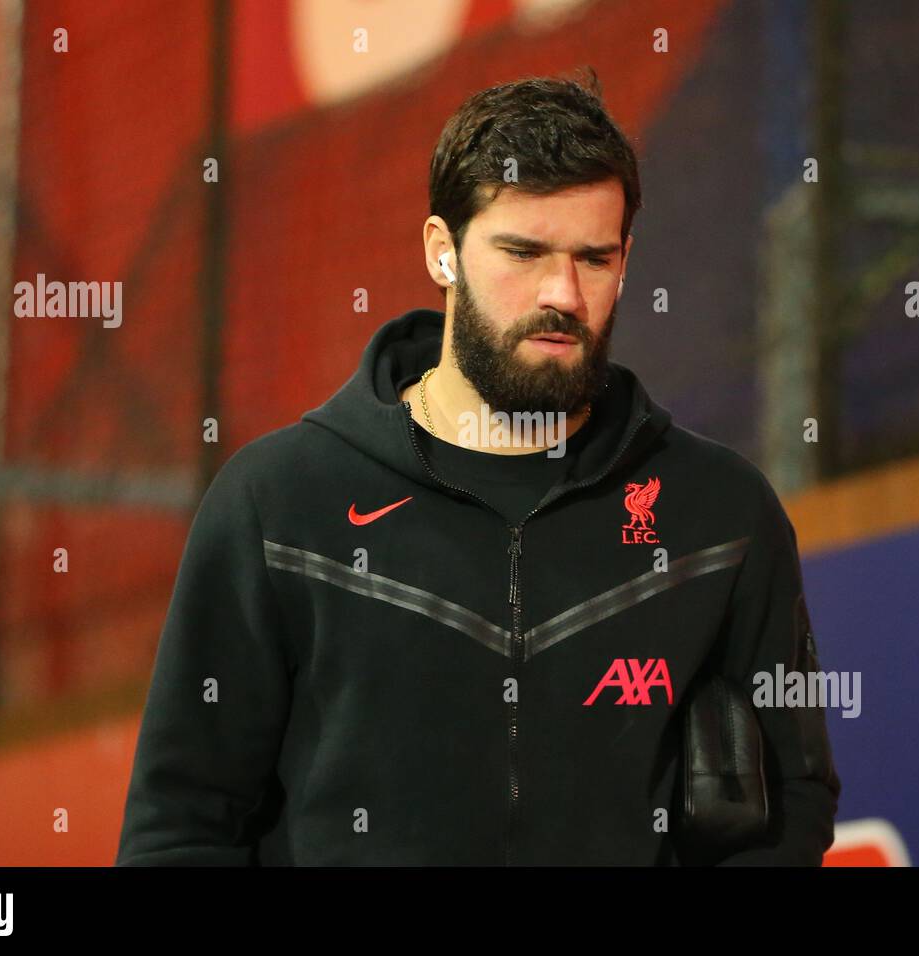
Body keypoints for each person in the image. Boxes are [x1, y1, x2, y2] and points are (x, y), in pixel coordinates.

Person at [116, 68, 840, 866]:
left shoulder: (719, 516)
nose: (562, 292)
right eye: (523, 252)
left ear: (627, 257)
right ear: (442, 252)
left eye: (594, 258)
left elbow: (789, 806)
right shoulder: (279, 505)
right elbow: (179, 826)